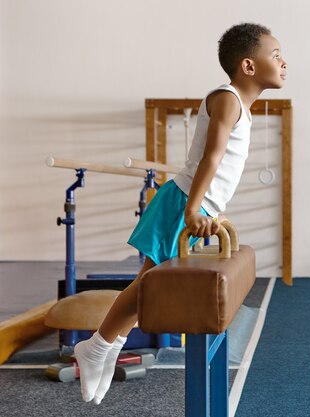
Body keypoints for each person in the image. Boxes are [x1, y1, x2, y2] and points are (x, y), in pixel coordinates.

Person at [73, 22, 287, 404]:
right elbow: (212, 156)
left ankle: (103, 346)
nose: (284, 62)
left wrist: (212, 210)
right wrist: (193, 208)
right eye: (275, 55)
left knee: (146, 287)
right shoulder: (227, 98)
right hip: (184, 200)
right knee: (150, 286)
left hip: (198, 202)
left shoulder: (242, 107)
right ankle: (99, 346)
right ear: (248, 66)